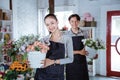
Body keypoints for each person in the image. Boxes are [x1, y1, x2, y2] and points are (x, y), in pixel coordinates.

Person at [34, 14, 74, 80]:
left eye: (52, 23)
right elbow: (39, 57)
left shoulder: (67, 39)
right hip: (42, 74)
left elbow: (70, 59)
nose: (50, 26)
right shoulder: (44, 39)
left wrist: (53, 61)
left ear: (57, 22)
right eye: (47, 25)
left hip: (57, 75)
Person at [65, 14, 89, 80]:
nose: (74, 23)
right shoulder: (66, 35)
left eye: (76, 21)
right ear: (69, 22)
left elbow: (88, 46)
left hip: (82, 61)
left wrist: (93, 54)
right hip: (71, 62)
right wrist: (79, 52)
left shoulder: (85, 33)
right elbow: (66, 51)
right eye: (72, 21)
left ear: (78, 22)